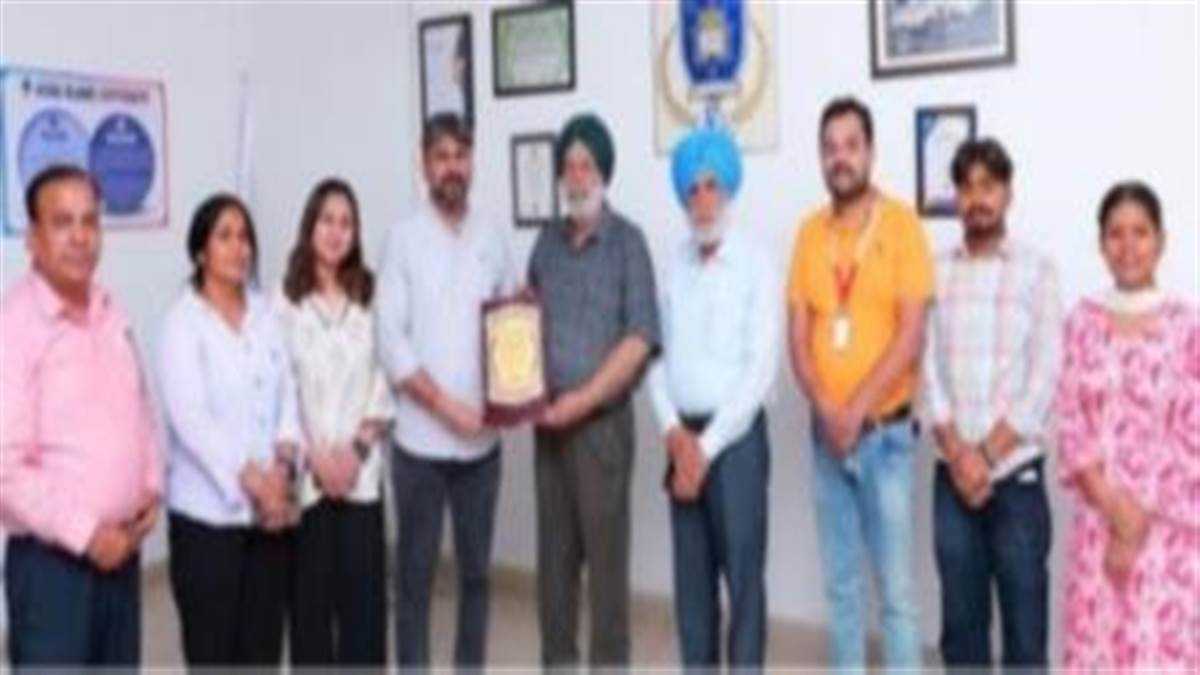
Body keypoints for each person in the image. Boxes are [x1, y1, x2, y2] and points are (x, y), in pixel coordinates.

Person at [785, 97, 933, 671]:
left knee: (896, 595)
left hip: (885, 438)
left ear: (870, 151)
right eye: (830, 148)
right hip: (826, 437)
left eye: (851, 145)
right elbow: (799, 338)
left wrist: (856, 411)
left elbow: (911, 335)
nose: (840, 158)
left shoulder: (902, 225)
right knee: (841, 589)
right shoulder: (808, 234)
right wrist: (829, 410)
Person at [0, 165, 162, 667]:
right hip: (53, 569)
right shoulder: (14, 327)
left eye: (90, 221)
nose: (80, 237)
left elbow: (139, 408)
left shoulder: (111, 310)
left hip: (122, 555)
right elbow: (5, 468)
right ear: (33, 238)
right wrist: (89, 535)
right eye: (62, 222)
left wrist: (150, 484)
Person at [375, 113, 516, 668]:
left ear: (471, 162)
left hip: (482, 448)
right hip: (420, 448)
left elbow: (512, 324)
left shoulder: (491, 236)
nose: (452, 167)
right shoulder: (402, 238)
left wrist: (513, 395)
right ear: (424, 164)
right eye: (441, 157)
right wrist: (445, 407)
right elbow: (391, 342)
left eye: (460, 155)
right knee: (414, 579)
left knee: (477, 576)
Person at [528, 112, 661, 667]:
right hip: (548, 430)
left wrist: (580, 402)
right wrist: (525, 391)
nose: (577, 177)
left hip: (601, 431)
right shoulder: (546, 243)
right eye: (568, 166)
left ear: (603, 172)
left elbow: (640, 339)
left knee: (606, 574)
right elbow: (523, 325)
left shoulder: (628, 243)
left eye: (586, 165)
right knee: (553, 570)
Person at [921, 139, 1060, 669]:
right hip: (951, 478)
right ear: (956, 196)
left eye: (989, 186)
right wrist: (960, 455)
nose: (978, 198)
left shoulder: (1038, 271)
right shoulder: (934, 272)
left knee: (1025, 636)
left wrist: (984, 456)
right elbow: (925, 370)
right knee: (961, 634)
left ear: (1008, 193)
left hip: (1016, 479)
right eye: (967, 187)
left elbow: (1045, 377)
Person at [648, 126, 781, 667]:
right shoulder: (672, 266)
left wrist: (704, 449)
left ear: (728, 191)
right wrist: (673, 433)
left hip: (736, 445)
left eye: (712, 186)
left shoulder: (756, 263)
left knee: (743, 585)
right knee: (692, 591)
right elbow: (654, 356)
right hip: (681, 441)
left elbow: (760, 369)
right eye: (693, 189)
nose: (702, 200)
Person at [1056, 181, 1199, 670]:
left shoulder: (1188, 328)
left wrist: (1136, 522)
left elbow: (1192, 436)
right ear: (1101, 245)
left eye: (1140, 232)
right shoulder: (1081, 322)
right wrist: (1114, 509)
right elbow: (1071, 422)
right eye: (1115, 234)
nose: (1128, 246)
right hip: (1098, 526)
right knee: (1097, 652)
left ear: (1161, 241)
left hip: (1167, 535)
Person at [158, 193, 301, 666]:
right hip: (207, 523)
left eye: (244, 237)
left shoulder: (266, 315)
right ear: (201, 252)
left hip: (270, 519)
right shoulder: (182, 324)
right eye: (224, 236)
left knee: (262, 652)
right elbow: (193, 420)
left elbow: (288, 393)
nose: (239, 248)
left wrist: (282, 469)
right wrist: (254, 481)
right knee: (214, 653)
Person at [277, 178, 392, 666]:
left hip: (360, 478)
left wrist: (355, 452)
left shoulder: (372, 297)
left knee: (363, 613)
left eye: (346, 223)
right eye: (327, 220)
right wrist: (317, 458)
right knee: (310, 613)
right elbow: (280, 389)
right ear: (310, 226)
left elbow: (386, 377)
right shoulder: (284, 303)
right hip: (308, 482)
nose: (336, 231)